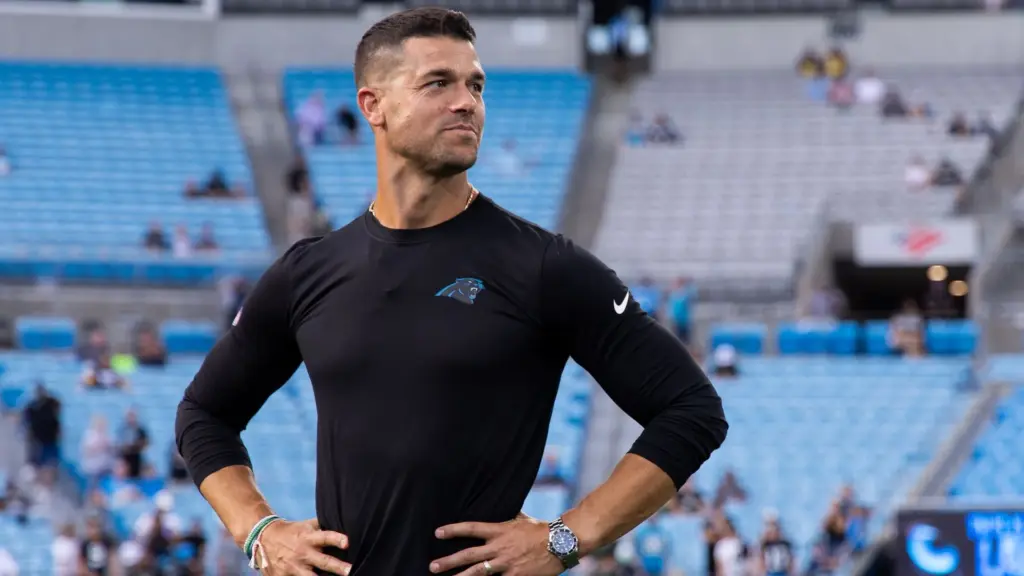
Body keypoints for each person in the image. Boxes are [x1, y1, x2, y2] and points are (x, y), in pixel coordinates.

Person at [175, 8, 727, 576]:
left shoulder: (542, 266)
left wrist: (567, 538)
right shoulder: (307, 272)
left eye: (476, 85)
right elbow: (203, 413)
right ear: (374, 106)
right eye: (438, 83)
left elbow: (692, 410)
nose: (466, 101)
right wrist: (260, 531)